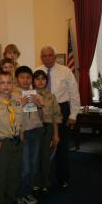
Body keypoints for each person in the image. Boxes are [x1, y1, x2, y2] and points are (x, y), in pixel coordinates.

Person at [36, 46, 80, 189]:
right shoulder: (37, 71)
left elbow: (74, 93)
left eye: (50, 55)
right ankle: (43, 180)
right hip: (41, 111)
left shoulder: (65, 71)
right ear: (41, 57)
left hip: (62, 109)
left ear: (54, 56)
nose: (47, 58)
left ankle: (63, 178)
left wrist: (73, 114)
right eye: (44, 56)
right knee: (42, 148)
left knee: (61, 146)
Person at [0, 72, 24, 204]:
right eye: (2, 83)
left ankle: (11, 199)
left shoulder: (18, 100)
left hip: (16, 142)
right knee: (0, 175)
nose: (6, 86)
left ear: (13, 84)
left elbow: (21, 121)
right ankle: (0, 200)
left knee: (14, 173)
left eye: (9, 82)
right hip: (1, 143)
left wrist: (21, 136)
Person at [15, 66, 43, 204]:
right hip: (23, 133)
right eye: (22, 77)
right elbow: (11, 115)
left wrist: (39, 105)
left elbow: (43, 117)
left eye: (28, 77)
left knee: (33, 166)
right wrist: (20, 104)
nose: (25, 80)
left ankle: (28, 192)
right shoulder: (13, 94)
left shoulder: (36, 93)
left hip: (36, 131)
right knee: (25, 167)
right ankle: (20, 194)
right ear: (17, 79)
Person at [32, 70, 61, 192]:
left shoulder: (51, 96)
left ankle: (45, 182)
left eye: (43, 79)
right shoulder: (29, 95)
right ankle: (36, 182)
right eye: (37, 79)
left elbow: (56, 116)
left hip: (48, 128)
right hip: (34, 129)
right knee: (35, 156)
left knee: (46, 156)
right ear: (33, 81)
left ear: (46, 81)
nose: (40, 81)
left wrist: (55, 134)